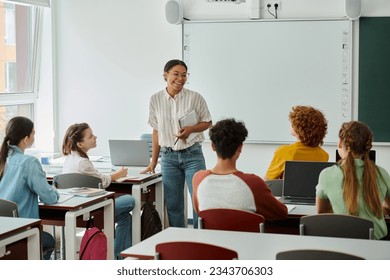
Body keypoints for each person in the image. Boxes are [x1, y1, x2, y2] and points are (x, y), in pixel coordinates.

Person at [142, 59, 212, 228]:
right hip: (168, 157)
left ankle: (200, 241)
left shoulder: (195, 97)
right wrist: (153, 161)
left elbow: (207, 122)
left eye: (184, 75)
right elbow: (156, 130)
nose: (180, 79)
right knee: (173, 205)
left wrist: (191, 129)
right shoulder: (155, 99)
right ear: (165, 75)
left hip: (192, 154)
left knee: (198, 202)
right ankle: (178, 243)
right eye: (176, 74)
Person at [61, 123, 135, 259]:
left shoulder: (70, 159)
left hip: (77, 207)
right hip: (90, 210)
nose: (95, 137)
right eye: (90, 136)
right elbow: (103, 182)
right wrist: (119, 174)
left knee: (125, 218)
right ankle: (119, 257)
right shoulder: (83, 163)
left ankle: (118, 256)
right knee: (130, 200)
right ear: (80, 144)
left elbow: (95, 178)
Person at [193, 118, 288, 221]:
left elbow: (200, 211)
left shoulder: (198, 179)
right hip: (247, 237)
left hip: (210, 237)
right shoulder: (253, 183)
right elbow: (282, 213)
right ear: (240, 148)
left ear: (212, 146)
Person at [316, 121, 390, 239]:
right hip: (378, 242)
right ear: (368, 146)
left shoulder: (326, 175)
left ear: (340, 142)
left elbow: (322, 212)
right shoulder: (382, 174)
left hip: (342, 241)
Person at [0, 116, 59, 260]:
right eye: (33, 133)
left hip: (3, 230)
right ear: (26, 139)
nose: (34, 136)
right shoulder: (30, 163)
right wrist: (55, 190)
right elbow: (49, 198)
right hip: (22, 232)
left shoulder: (2, 159)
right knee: (49, 240)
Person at [264, 105, 329, 180]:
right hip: (312, 192)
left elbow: (267, 182)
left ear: (299, 129)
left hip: (287, 192)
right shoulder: (324, 155)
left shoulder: (284, 152)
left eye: (293, 123)